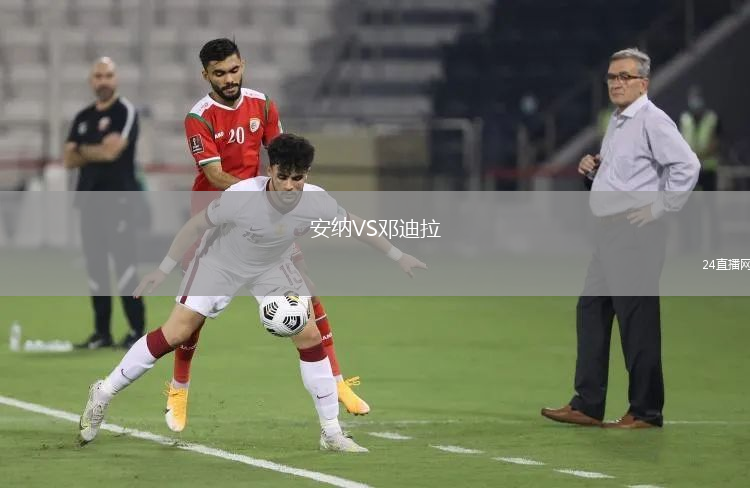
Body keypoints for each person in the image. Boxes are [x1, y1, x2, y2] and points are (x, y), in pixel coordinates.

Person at [78, 133, 427, 451]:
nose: (289, 186)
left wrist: (398, 256)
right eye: (282, 176)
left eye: (298, 178)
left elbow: (355, 224)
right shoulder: (242, 197)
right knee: (177, 333)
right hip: (220, 262)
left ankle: (331, 432)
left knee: (309, 335)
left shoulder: (316, 201)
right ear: (269, 169)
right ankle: (103, 393)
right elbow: (196, 225)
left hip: (271, 266)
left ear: (307, 174)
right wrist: (163, 269)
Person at [166, 38, 370, 435]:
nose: (229, 79)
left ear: (243, 65)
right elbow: (213, 175)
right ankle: (179, 388)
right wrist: (258, 196)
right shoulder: (199, 117)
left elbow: (280, 156)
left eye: (234, 70)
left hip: (262, 220)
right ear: (206, 75)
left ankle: (336, 380)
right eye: (220, 73)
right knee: (195, 314)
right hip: (215, 219)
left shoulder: (262, 105)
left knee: (307, 293)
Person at [541, 48, 700, 429]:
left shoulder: (652, 120)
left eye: (625, 77)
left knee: (636, 322)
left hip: (636, 234)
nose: (616, 83)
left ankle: (646, 411)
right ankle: (587, 404)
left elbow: (688, 165)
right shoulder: (618, 121)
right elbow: (624, 176)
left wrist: (660, 208)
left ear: (643, 83)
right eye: (612, 77)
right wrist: (592, 171)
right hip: (609, 232)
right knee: (591, 311)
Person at [63, 57, 146, 350]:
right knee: (95, 269)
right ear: (91, 81)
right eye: (98, 76)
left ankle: (136, 330)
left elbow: (113, 152)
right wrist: (97, 149)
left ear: (116, 79)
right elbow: (68, 159)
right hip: (89, 201)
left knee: (125, 267)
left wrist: (84, 150)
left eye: (108, 75)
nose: (103, 81)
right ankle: (102, 333)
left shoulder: (125, 112)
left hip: (119, 200)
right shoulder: (82, 117)